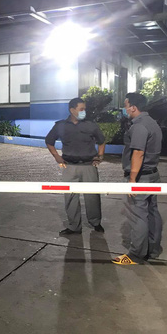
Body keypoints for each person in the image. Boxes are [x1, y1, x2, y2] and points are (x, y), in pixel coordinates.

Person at [112, 93, 163, 265]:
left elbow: (138, 153)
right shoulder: (153, 123)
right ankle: (153, 249)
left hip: (140, 177)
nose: (124, 109)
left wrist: (132, 179)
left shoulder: (139, 126)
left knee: (138, 215)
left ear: (133, 107)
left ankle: (136, 254)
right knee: (152, 212)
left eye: (126, 105)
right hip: (152, 174)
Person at [45, 97, 106, 236]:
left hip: (88, 166)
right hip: (69, 166)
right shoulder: (61, 125)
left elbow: (101, 141)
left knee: (92, 197)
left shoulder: (90, 125)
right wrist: (56, 156)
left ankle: (95, 222)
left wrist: (100, 156)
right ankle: (74, 226)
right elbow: (49, 141)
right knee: (70, 197)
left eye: (85, 109)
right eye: (81, 109)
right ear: (72, 110)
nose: (84, 112)